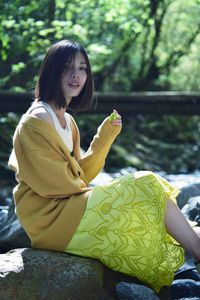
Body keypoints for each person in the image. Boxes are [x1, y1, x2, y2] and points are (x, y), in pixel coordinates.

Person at [8, 40, 200, 293]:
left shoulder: (66, 120)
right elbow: (58, 185)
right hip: (50, 219)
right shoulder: (36, 120)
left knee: (147, 193)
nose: (76, 75)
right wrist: (114, 192)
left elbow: (81, 177)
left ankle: (194, 246)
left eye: (82, 68)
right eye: (67, 67)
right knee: (145, 184)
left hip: (67, 207)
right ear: (52, 71)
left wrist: (103, 138)